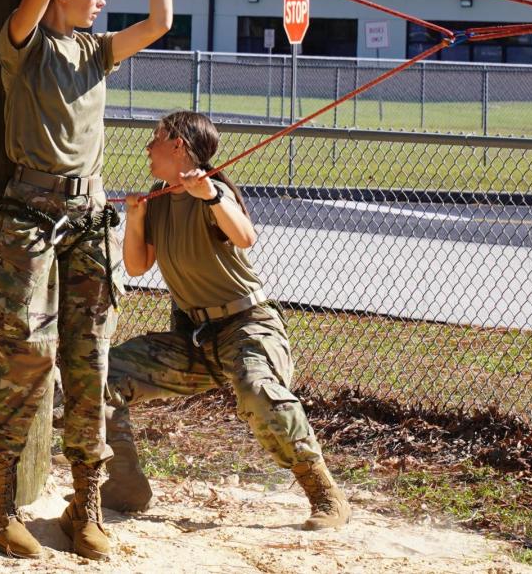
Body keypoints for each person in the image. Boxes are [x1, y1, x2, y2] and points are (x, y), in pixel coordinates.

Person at [0, 0, 173, 561]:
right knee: (27, 352)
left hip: (88, 216)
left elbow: (160, 24)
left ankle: (83, 507)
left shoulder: (96, 52)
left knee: (90, 359)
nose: (100, 4)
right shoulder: (25, 43)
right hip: (29, 211)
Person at [105, 110, 351, 531]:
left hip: (246, 326)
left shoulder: (213, 191)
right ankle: (126, 483)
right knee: (101, 374)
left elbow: (245, 237)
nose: (148, 147)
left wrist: (211, 197)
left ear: (178, 144)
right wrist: (136, 218)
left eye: (156, 138)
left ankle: (324, 493)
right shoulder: (159, 197)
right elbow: (137, 265)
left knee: (259, 391)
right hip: (194, 339)